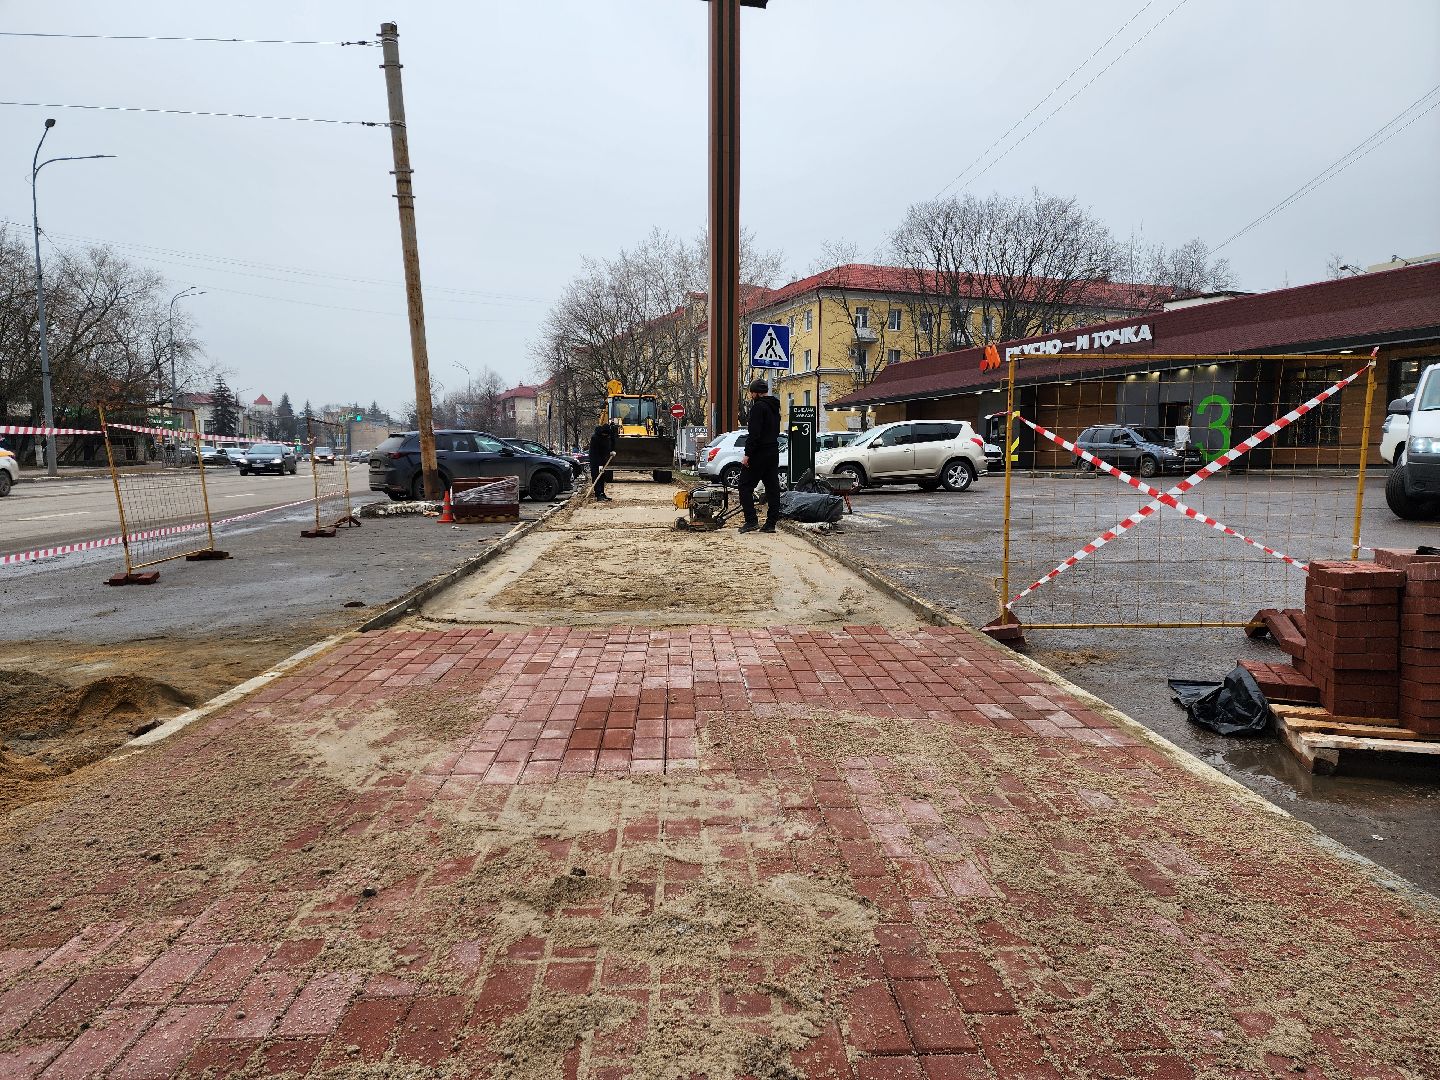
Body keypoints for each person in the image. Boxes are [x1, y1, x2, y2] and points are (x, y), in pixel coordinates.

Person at [738, 378, 781, 534]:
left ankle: (751, 520)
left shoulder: (758, 408)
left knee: (744, 486)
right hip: (773, 451)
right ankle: (771, 523)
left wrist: (747, 455)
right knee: (772, 488)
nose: (751, 396)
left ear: (755, 393)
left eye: (751, 393)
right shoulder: (775, 407)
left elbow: (754, 434)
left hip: (759, 453)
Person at [587, 418, 617, 501]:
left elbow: (613, 441)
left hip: (603, 459)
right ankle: (598, 494)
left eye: (607, 435)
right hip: (595, 460)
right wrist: (599, 464)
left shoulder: (608, 435)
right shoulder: (595, 438)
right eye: (605, 435)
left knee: (602, 477)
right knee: (596, 476)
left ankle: (602, 493)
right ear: (602, 433)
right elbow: (596, 452)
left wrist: (612, 450)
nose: (606, 436)